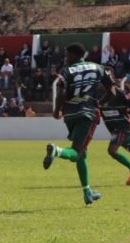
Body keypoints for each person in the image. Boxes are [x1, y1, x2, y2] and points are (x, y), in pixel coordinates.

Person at [42, 43, 113, 205]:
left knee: (82, 151)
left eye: (67, 55)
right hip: (87, 113)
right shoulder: (98, 67)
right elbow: (112, 91)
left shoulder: (66, 71)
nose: (66, 58)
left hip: (70, 113)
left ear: (75, 55)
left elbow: (62, 92)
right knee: (76, 152)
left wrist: (56, 111)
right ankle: (56, 151)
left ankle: (87, 192)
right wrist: (98, 104)